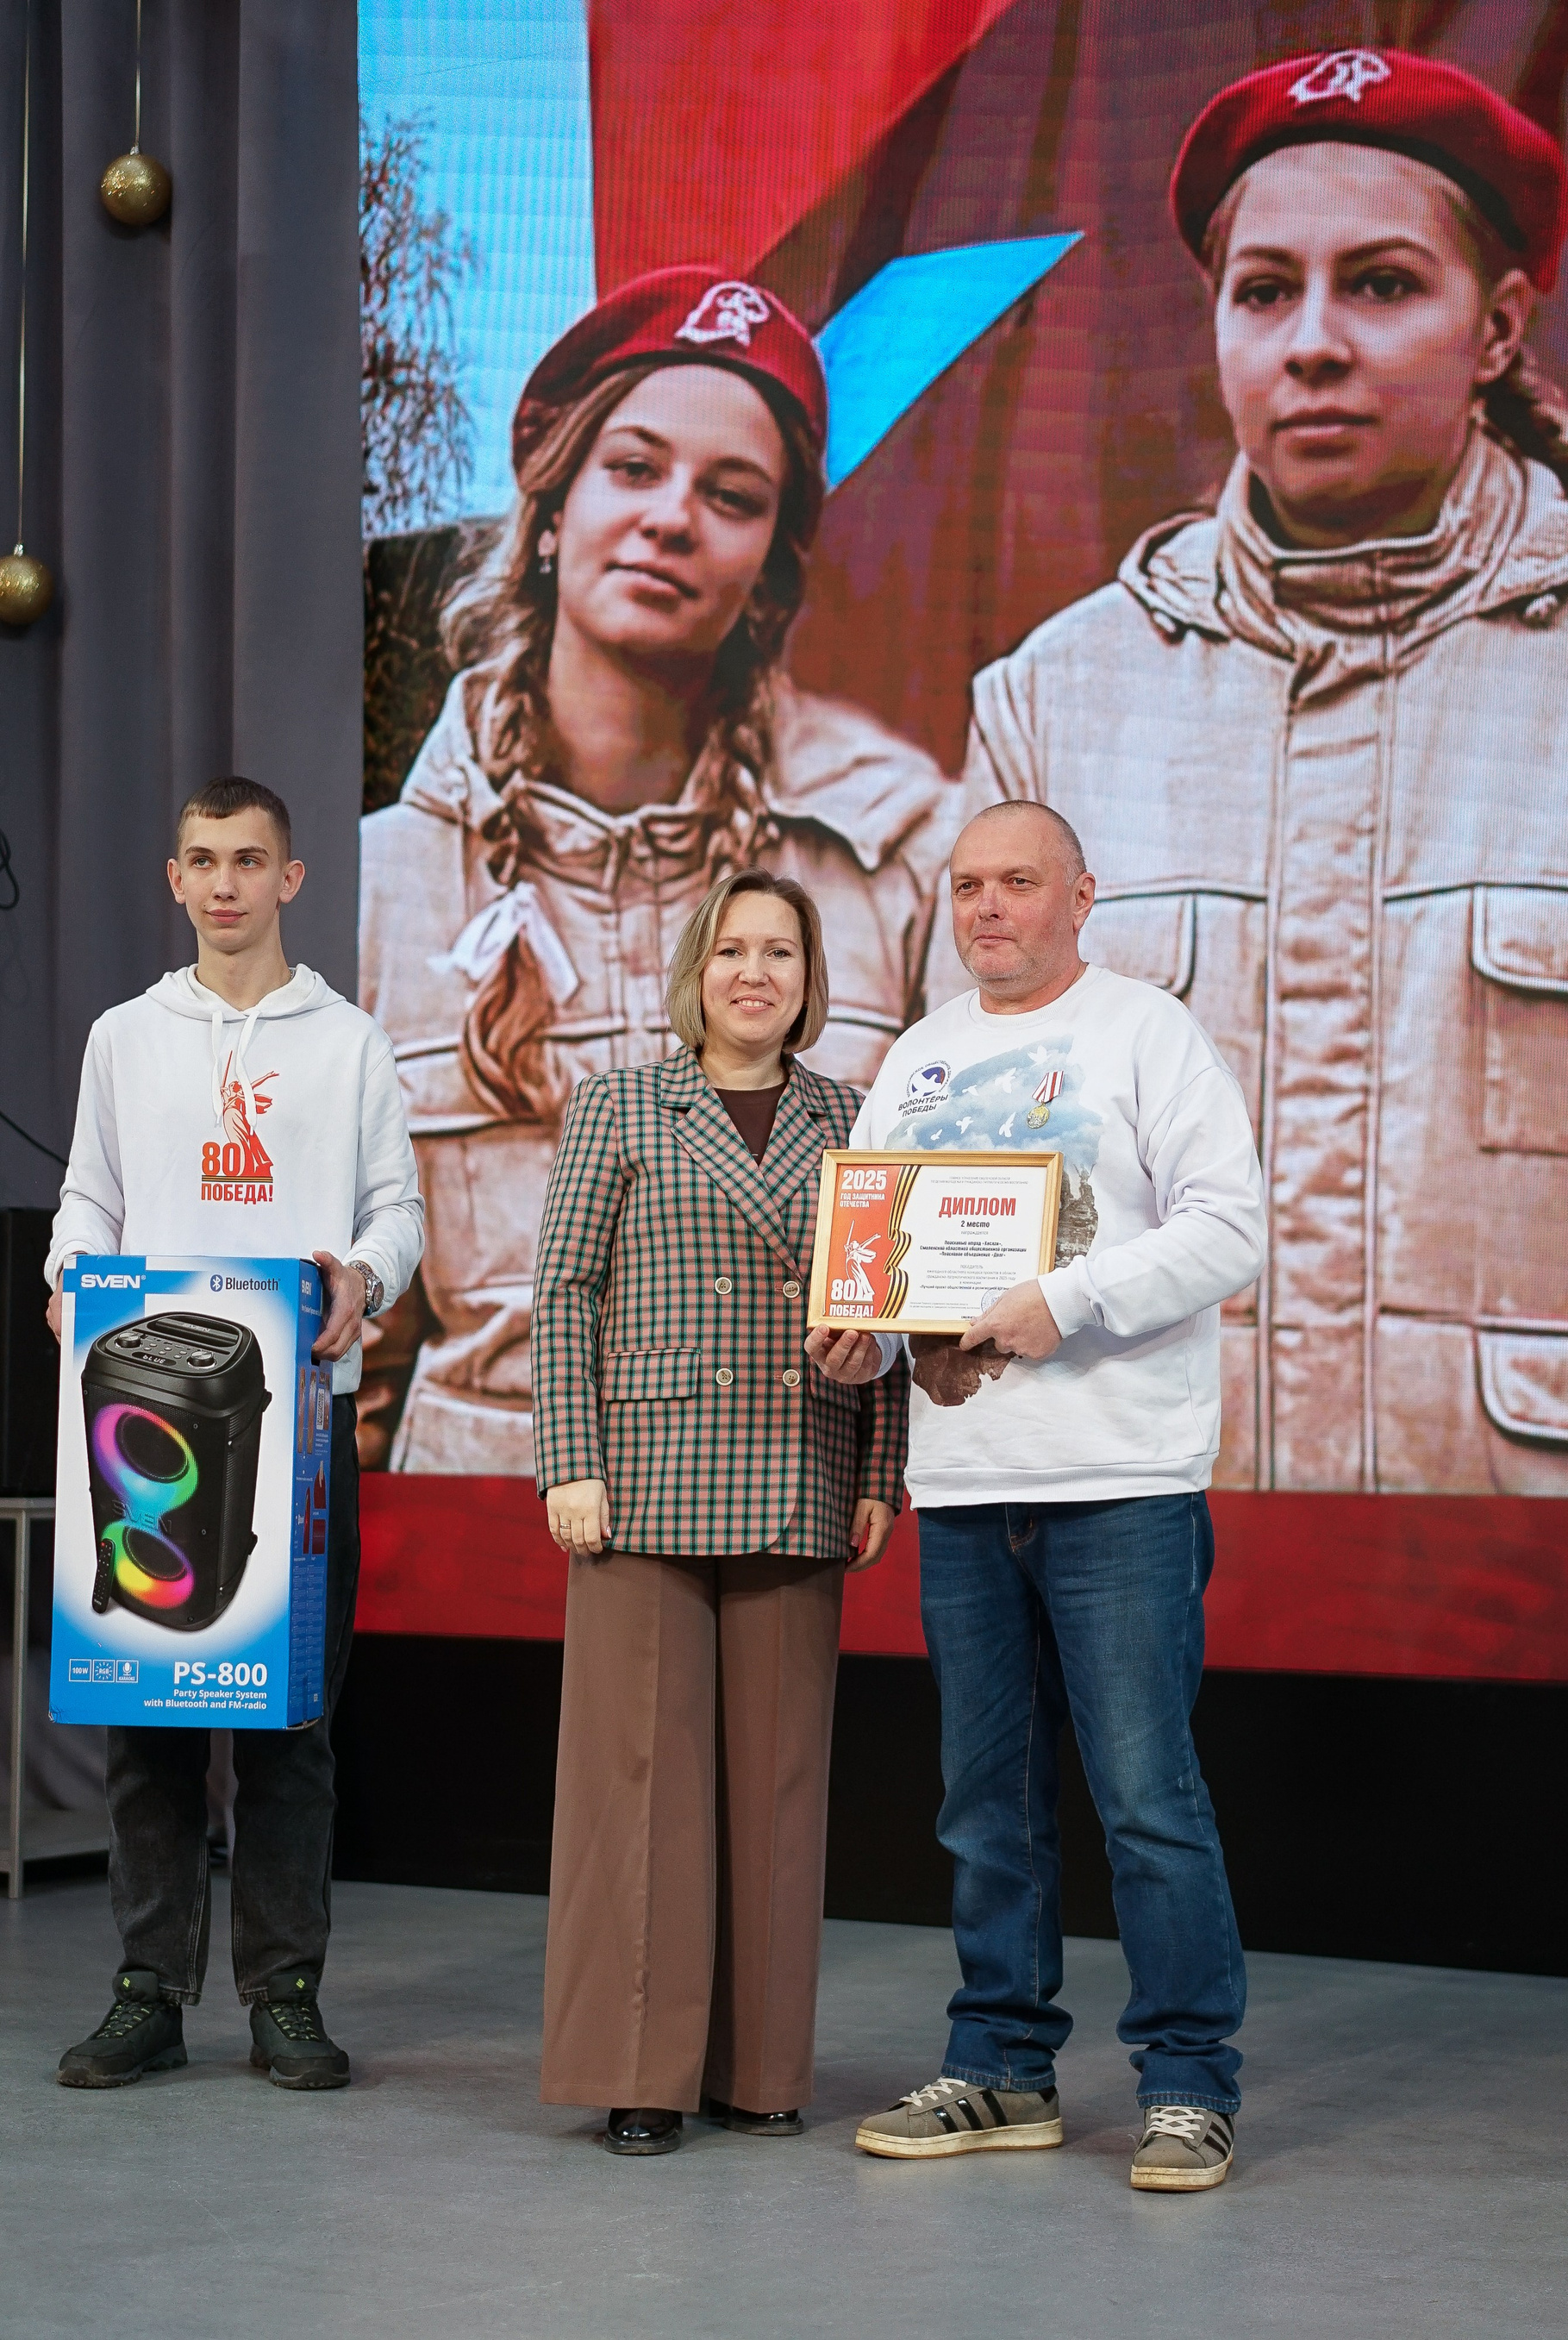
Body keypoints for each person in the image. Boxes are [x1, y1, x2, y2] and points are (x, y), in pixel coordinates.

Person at [928, 48, 1568, 1497]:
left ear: (1500, 328)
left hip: (1563, 1577)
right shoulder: (1057, 703)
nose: (1312, 342)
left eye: (1381, 284)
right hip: (1143, 1540)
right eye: (1264, 292)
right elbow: (962, 1175)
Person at [359, 266, 950, 1474]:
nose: (673, 518)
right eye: (633, 468)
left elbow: (939, 1312)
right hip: (482, 1545)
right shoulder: (381, 887)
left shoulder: (901, 868)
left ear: (768, 572)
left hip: (786, 1521)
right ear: (550, 510)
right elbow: (349, 1362)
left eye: (730, 496)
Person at [815, 801, 1265, 2188]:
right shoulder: (919, 1055)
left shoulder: (1147, 1033)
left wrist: (1063, 1298)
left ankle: (1186, 2082)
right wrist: (860, 1336)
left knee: (1146, 1796)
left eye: (1019, 881)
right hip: (965, 1483)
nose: (989, 907)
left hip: (1121, 1478)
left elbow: (1230, 1227)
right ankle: (1002, 2065)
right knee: (983, 1804)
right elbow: (881, 1261)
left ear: (1083, 894)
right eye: (969, 885)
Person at [47, 778, 424, 2090]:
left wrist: (362, 1275)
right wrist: (67, 1277)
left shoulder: (350, 1042)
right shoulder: (125, 1036)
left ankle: (285, 1992)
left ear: (290, 878)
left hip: (298, 1423)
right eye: (203, 860)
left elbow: (396, 1210)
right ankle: (148, 1988)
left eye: (249, 860)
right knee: (144, 1715)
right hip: (139, 1413)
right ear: (175, 878)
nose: (225, 883)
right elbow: (88, 1196)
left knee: (290, 1724)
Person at [533, 867, 907, 2155]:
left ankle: (760, 2067)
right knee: (637, 1783)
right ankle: (640, 2069)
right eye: (734, 949)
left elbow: (881, 1307)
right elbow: (566, 1291)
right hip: (642, 1479)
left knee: (779, 1788)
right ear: (698, 968)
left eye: (781, 953)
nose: (756, 973)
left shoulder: (856, 1117)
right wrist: (569, 1461)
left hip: (802, 1470)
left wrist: (879, 1473)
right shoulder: (621, 1103)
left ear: (810, 980)